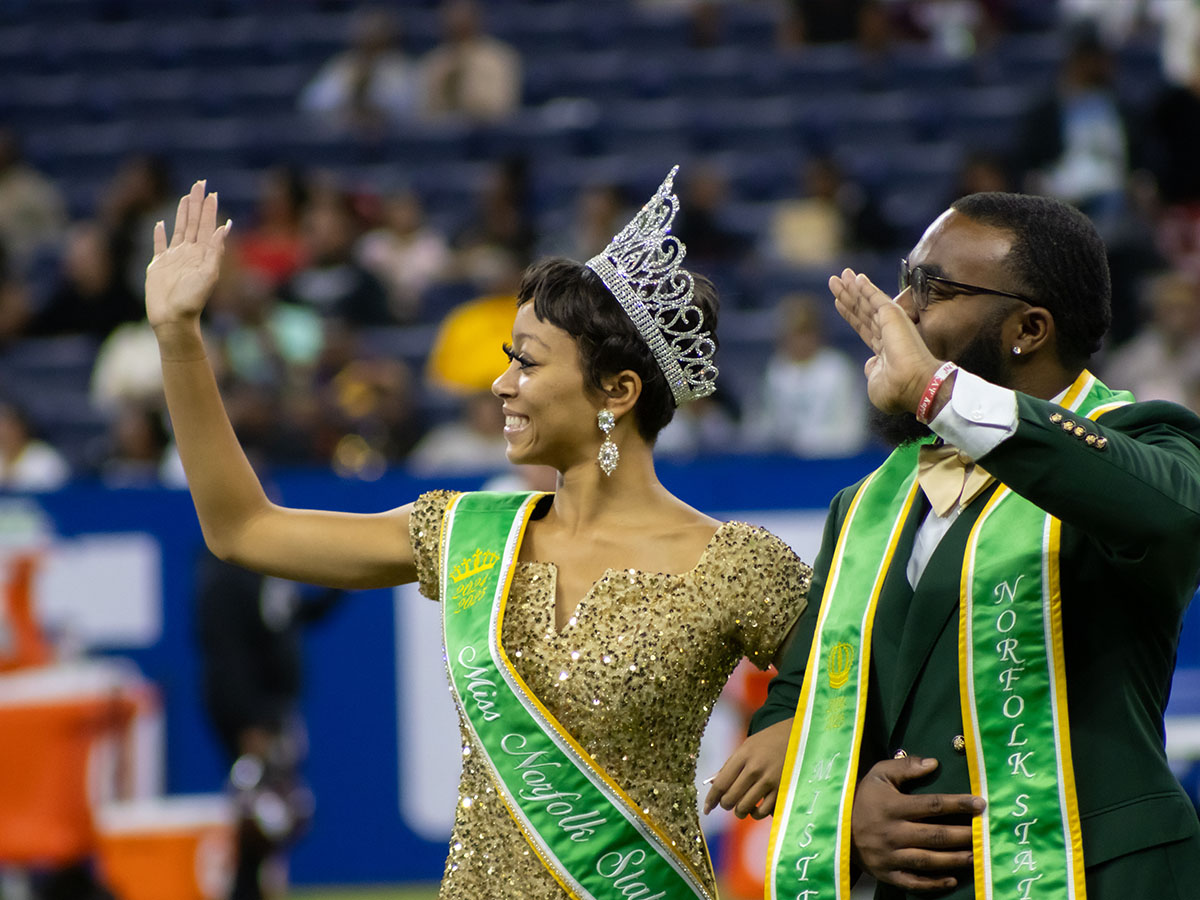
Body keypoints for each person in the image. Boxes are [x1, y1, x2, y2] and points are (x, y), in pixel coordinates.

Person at [144, 170, 810, 899]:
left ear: (617, 393)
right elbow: (244, 529)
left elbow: (864, 676)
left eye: (526, 361)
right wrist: (179, 339)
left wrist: (790, 724)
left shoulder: (731, 562)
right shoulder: (464, 532)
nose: (501, 385)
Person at [705, 192, 1200, 899]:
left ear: (1027, 328)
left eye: (932, 289)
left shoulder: (1143, 443)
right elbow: (807, 700)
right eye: (906, 279)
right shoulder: (865, 504)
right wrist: (851, 809)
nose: (897, 311)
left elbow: (1173, 517)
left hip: (1101, 874)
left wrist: (939, 391)